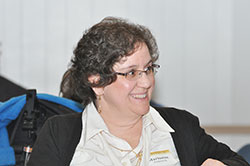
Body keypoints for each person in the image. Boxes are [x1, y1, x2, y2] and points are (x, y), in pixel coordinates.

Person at [27, 17, 249, 166]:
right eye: (131, 73)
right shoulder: (61, 134)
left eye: (148, 69)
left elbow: (238, 162)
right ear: (97, 82)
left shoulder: (180, 126)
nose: (146, 82)